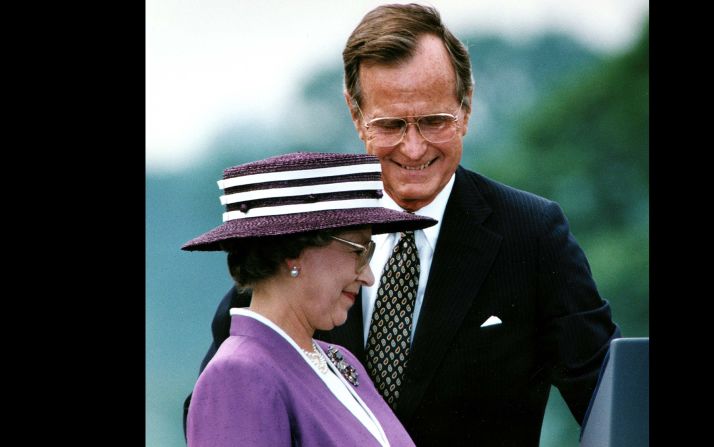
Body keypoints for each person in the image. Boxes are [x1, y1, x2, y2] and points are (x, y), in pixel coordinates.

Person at [185, 4, 621, 445]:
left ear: (466, 108)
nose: (413, 149)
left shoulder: (532, 234)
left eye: (434, 121)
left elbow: (615, 404)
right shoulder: (296, 231)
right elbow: (224, 406)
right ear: (356, 115)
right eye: (391, 125)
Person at [182, 152, 437, 446]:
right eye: (358, 251)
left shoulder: (338, 361)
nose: (368, 276)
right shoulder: (239, 373)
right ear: (294, 251)